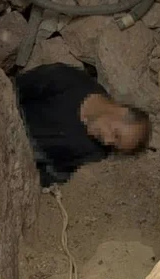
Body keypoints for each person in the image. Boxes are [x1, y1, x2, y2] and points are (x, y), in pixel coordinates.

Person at [13, 62, 152, 188]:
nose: (107, 141)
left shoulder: (96, 152)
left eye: (114, 145)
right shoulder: (66, 80)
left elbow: (53, 174)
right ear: (122, 111)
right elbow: (10, 91)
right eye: (116, 134)